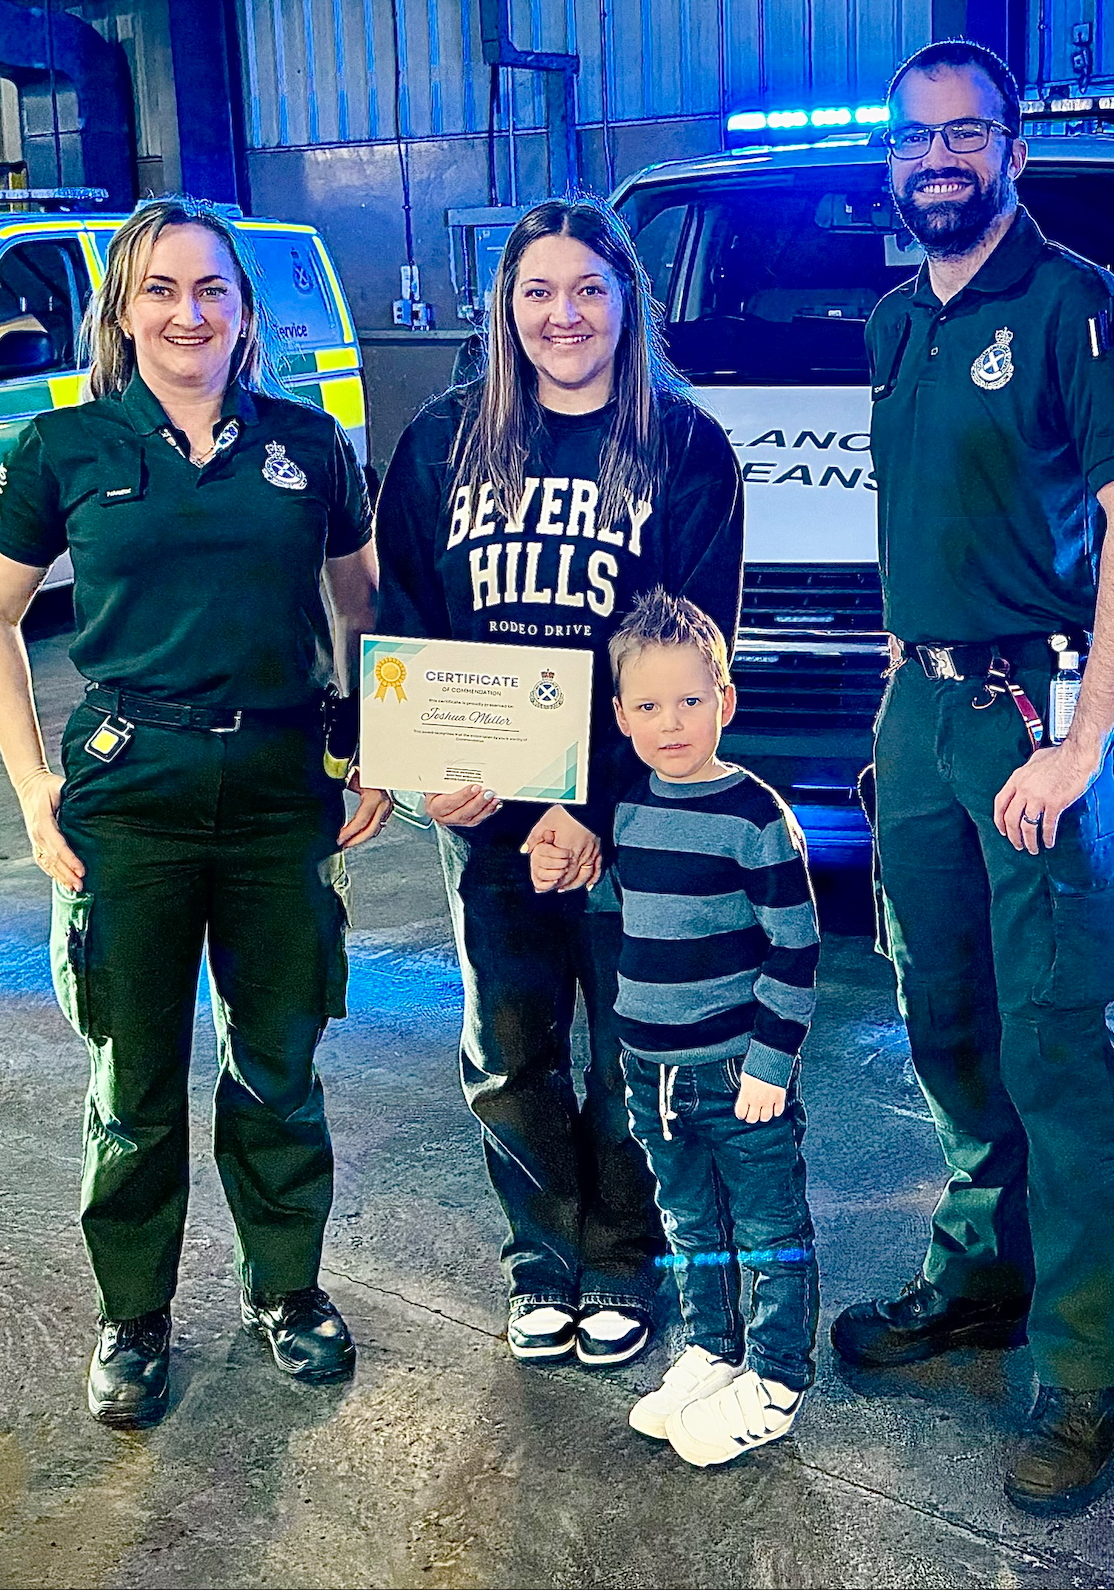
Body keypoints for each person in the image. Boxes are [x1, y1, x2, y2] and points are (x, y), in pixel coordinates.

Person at [0, 197, 391, 1429]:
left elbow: (366, 611)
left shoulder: (309, 446)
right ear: (121, 312)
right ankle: (133, 1313)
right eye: (158, 289)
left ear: (246, 313)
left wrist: (369, 747)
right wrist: (30, 779)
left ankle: (288, 1289)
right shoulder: (65, 450)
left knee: (276, 1064)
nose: (186, 312)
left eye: (211, 289)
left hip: (275, 796)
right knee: (134, 1077)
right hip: (128, 794)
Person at [828, 41, 1114, 1515]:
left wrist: (1083, 742)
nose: (938, 158)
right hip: (918, 713)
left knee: (1054, 1047)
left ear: (1012, 154)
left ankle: (1088, 1372)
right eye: (915, 137)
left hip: (1031, 711)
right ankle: (985, 1277)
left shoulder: (1075, 308)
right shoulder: (896, 321)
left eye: (966, 135)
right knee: (943, 1016)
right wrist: (894, 710)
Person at [375, 197, 744, 1369]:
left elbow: (693, 651)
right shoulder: (440, 441)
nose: (562, 313)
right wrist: (431, 768)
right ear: (504, 308)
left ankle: (625, 1258)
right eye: (537, 290)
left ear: (627, 300)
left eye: (588, 287)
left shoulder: (684, 448)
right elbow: (406, 623)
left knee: (632, 1046)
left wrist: (587, 805)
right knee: (508, 1044)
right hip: (485, 820)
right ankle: (543, 1258)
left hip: (630, 813)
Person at [602, 588, 821, 1468]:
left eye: (692, 701)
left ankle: (775, 1376)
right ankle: (711, 1347)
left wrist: (772, 1062)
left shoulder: (756, 816)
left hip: (737, 1073)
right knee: (687, 1219)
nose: (672, 723)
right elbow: (634, 920)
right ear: (619, 716)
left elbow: (798, 948)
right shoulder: (626, 808)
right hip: (649, 1072)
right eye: (649, 706)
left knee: (767, 1224)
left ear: (725, 701)